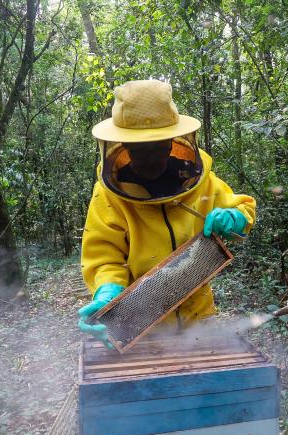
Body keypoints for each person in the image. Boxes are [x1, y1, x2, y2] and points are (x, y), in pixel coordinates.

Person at [78, 79, 256, 344]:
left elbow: (242, 207)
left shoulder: (197, 180)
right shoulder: (108, 196)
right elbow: (104, 258)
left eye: (159, 146)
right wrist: (107, 291)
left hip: (200, 321)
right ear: (126, 147)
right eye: (141, 149)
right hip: (141, 328)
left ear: (172, 142)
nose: (151, 157)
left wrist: (235, 218)